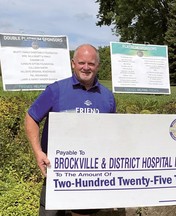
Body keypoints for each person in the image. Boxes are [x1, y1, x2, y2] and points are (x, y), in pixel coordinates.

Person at [25, 44, 116, 216]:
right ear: (73, 63)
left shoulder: (107, 97)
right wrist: (38, 152)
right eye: (81, 62)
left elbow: (111, 133)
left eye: (91, 63)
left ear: (98, 66)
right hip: (57, 170)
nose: (86, 67)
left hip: (89, 175)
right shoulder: (56, 90)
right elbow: (31, 118)